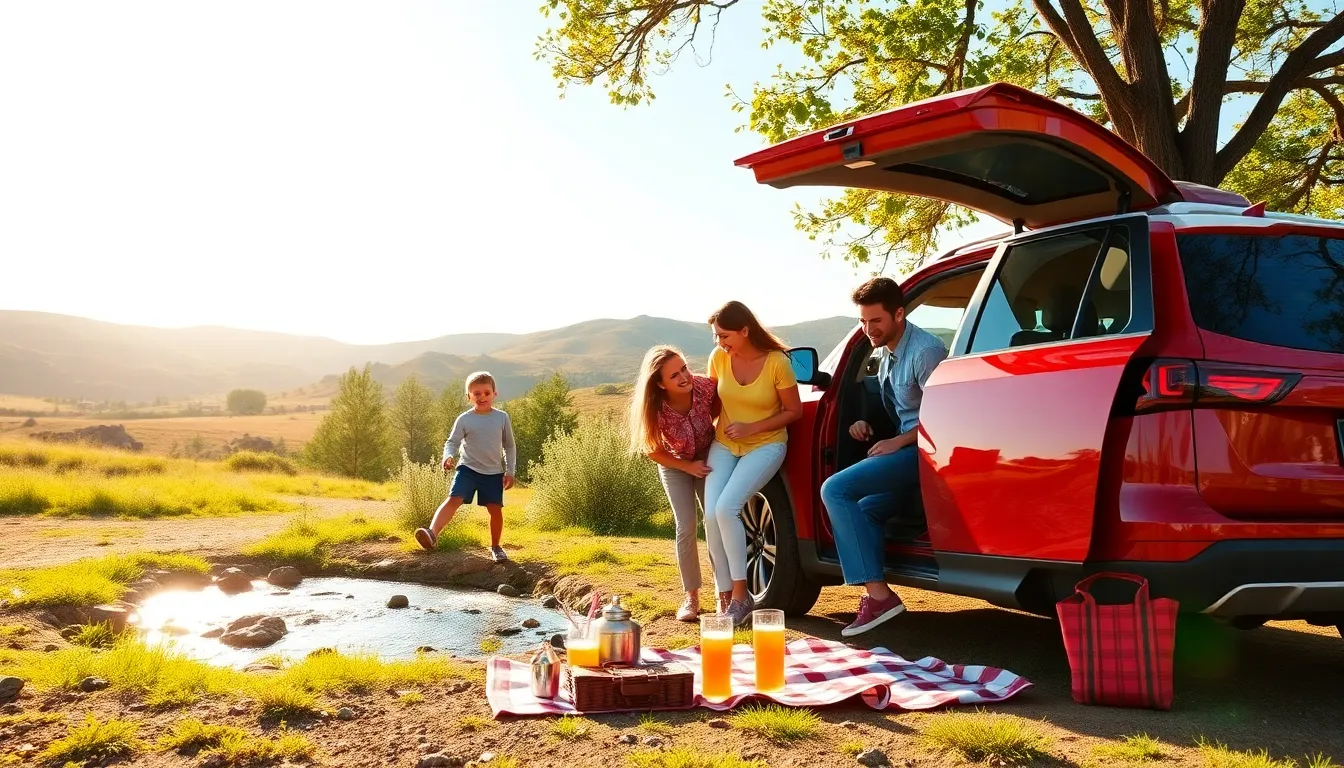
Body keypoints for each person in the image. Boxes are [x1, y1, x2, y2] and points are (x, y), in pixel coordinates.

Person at [821, 276, 947, 637]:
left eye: (875, 320)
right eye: (862, 321)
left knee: (835, 489)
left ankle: (879, 597)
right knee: (865, 509)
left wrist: (897, 442)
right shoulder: (886, 352)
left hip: (926, 451)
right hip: (907, 447)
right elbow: (892, 401)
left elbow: (943, 418)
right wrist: (866, 423)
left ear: (899, 314)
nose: (868, 329)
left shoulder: (925, 352)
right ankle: (878, 598)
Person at [704, 301, 803, 626]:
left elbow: (794, 412)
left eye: (725, 335)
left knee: (727, 508)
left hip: (766, 446)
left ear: (745, 330)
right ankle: (725, 597)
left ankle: (741, 596)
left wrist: (752, 428)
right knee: (710, 515)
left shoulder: (777, 362)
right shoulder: (719, 358)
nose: (720, 343)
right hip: (725, 444)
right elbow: (713, 403)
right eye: (717, 336)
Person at [628, 345, 718, 622]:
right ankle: (691, 597)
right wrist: (687, 466)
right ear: (660, 383)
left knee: (715, 520)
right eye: (674, 376)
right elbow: (652, 450)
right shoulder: (653, 408)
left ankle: (724, 593)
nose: (684, 377)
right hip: (674, 463)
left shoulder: (705, 387)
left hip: (709, 458)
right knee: (686, 526)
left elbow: (725, 407)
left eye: (684, 369)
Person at [415, 371, 516, 562]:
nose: (482, 397)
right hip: (467, 469)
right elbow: (452, 442)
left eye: (486, 392)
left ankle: (496, 547)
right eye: (476, 393)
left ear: (495, 394)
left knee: (495, 509)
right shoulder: (464, 419)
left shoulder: (502, 418)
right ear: (468, 396)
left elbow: (509, 446)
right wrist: (448, 456)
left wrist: (510, 470)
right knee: (454, 499)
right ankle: (432, 534)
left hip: (493, 472)